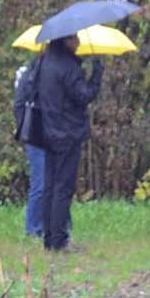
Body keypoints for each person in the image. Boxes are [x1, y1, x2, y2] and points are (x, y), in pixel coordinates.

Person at [35, 36, 101, 252]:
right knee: (63, 187)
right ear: (66, 40)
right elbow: (84, 95)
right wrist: (97, 73)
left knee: (50, 186)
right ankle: (59, 240)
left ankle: (49, 238)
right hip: (68, 132)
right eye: (75, 37)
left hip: (48, 130)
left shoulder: (45, 61)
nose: (79, 40)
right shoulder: (67, 66)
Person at [14, 57, 47, 238]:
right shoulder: (30, 77)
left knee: (45, 183)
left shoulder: (30, 74)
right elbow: (19, 105)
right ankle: (33, 228)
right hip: (36, 137)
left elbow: (18, 106)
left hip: (40, 136)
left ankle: (40, 226)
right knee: (41, 183)